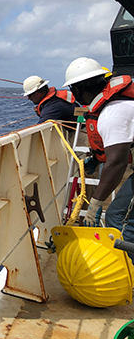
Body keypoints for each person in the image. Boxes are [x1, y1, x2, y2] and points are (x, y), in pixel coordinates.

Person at [63, 57, 134, 241]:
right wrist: (96, 159)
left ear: (78, 89)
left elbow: (117, 162)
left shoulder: (112, 113)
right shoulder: (117, 103)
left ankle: (129, 265)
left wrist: (95, 203)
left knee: (118, 217)